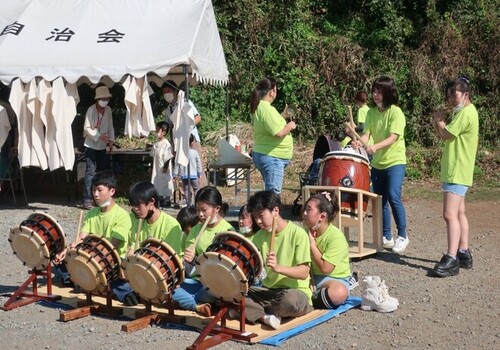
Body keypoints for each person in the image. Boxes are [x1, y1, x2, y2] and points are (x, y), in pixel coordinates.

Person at [54, 171, 138, 305]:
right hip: (91, 254)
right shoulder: (92, 213)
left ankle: (116, 289)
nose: (96, 194)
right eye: (93, 190)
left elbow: (113, 245)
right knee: (59, 258)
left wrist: (90, 258)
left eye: (99, 190)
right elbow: (82, 237)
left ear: (112, 191)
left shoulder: (122, 215)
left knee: (112, 275)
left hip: (112, 258)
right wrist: (68, 249)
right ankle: (80, 279)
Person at [352, 76, 409, 254]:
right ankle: (387, 236)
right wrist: (360, 143)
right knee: (380, 200)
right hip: (377, 163)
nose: (375, 95)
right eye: (374, 91)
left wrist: (374, 147)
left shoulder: (396, 112)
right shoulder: (371, 113)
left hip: (395, 161)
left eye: (379, 92)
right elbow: (367, 135)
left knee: (393, 195)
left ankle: (403, 235)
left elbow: (393, 137)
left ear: (387, 93)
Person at [240, 190, 312, 330]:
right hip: (269, 291)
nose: (258, 222)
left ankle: (256, 312)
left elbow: (304, 272)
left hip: (295, 291)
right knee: (236, 293)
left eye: (261, 216)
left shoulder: (298, 234)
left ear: (275, 211)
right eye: (255, 217)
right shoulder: (259, 236)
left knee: (289, 301)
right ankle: (265, 316)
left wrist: (279, 268)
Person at [431, 76, 478, 277]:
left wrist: (440, 121)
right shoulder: (465, 112)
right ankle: (463, 252)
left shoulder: (466, 113)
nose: (451, 98)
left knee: (449, 214)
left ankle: (451, 258)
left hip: (458, 170)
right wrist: (438, 122)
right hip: (457, 168)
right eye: (450, 95)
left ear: (465, 94)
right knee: (459, 213)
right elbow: (443, 135)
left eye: (455, 94)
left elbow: (447, 134)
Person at [172, 186, 235, 316]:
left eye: (204, 210)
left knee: (212, 291)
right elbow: (189, 265)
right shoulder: (196, 229)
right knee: (170, 288)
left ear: (217, 209)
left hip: (215, 283)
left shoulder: (228, 231)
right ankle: (197, 306)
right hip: (196, 281)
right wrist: (190, 260)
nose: (200, 214)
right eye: (198, 210)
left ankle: (192, 302)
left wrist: (196, 260)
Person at [303, 192, 350, 308]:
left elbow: (325, 269)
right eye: (305, 209)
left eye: (308, 210)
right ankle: (310, 298)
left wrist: (312, 245)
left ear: (322, 216)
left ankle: (309, 300)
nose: (304, 213)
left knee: (339, 292)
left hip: (332, 279)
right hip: (308, 277)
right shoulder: (303, 232)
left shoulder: (336, 237)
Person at [250, 77, 296, 194]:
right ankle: (270, 211)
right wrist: (290, 126)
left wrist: (284, 115)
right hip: (272, 157)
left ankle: (267, 210)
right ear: (271, 92)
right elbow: (279, 133)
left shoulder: (262, 107)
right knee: (272, 193)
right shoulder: (266, 109)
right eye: (276, 90)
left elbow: (272, 126)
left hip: (269, 155)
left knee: (270, 192)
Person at [161, 80, 207, 187]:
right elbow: (169, 127)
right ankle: (188, 198)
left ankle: (203, 194)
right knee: (183, 171)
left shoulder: (185, 103)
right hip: (178, 144)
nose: (166, 94)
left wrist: (186, 129)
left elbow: (197, 117)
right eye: (164, 92)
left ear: (175, 92)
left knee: (196, 169)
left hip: (191, 141)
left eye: (168, 91)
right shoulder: (168, 109)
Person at [128, 181, 184, 256]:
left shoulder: (171, 225)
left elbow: (170, 258)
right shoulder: (138, 223)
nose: (135, 209)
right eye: (133, 205)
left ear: (152, 201)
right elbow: (133, 249)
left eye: (138, 205)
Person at [81, 85, 115, 209]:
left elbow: (111, 126)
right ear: (98, 98)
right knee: (90, 172)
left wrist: (111, 140)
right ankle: (87, 199)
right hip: (91, 144)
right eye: (103, 98)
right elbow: (87, 128)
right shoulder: (91, 110)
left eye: (107, 98)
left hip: (102, 146)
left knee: (102, 172)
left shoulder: (108, 110)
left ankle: (101, 197)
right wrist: (99, 136)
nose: (105, 100)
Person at [172, 134, 202, 206]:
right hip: (194, 175)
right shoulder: (194, 152)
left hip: (184, 175)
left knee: (186, 189)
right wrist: (199, 173)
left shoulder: (181, 153)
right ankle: (197, 203)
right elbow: (198, 163)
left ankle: (188, 203)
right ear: (192, 142)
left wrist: (175, 174)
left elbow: (177, 164)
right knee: (196, 188)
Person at [150, 122, 174, 208]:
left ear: (163, 132)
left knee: (164, 184)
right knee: (156, 183)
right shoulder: (156, 144)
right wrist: (151, 166)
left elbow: (168, 157)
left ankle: (166, 200)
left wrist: (165, 167)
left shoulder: (166, 144)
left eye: (158, 130)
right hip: (156, 170)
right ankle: (158, 199)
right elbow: (153, 156)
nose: (156, 132)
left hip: (163, 170)